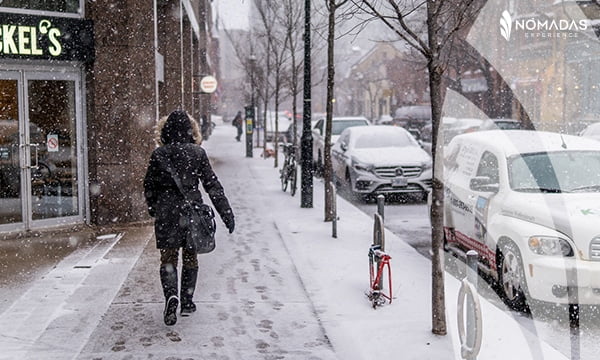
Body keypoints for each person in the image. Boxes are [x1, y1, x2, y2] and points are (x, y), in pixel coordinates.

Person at [144, 110, 235, 326]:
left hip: (167, 213)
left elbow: (149, 185)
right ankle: (187, 301)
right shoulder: (197, 153)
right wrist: (226, 214)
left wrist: (154, 207)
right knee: (190, 257)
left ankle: (171, 296)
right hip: (191, 212)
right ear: (190, 131)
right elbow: (212, 186)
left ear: (165, 131)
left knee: (168, 258)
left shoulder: (159, 155)